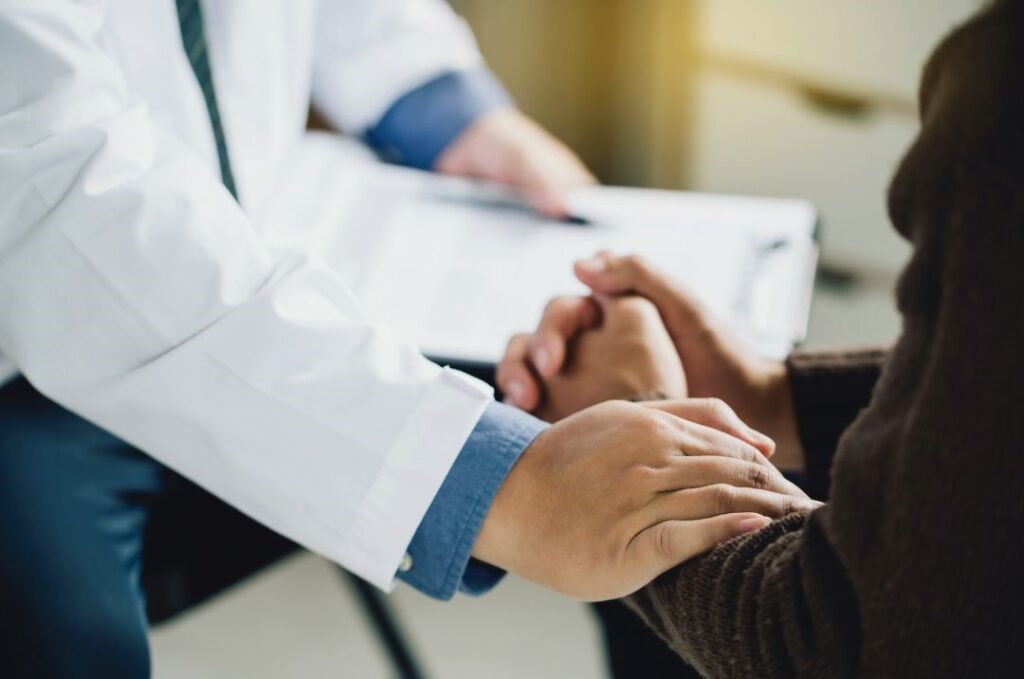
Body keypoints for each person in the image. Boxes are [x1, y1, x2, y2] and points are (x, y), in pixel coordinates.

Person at [0, 1, 816, 677]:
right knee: (67, 643)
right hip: (34, 345)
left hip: (278, 233)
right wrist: (501, 485)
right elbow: (63, 199)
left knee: (649, 435)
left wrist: (457, 118)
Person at [499, 1, 1024, 675]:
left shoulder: (1004, 111)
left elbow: (849, 642)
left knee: (636, 585)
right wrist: (774, 396)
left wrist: (642, 439)